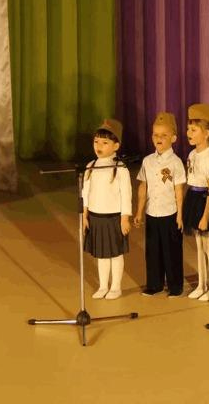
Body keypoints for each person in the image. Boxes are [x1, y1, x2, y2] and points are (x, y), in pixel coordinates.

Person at [133, 112, 186, 297]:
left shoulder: (176, 162)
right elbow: (143, 186)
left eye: (164, 135)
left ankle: (175, 286)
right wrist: (139, 211)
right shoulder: (148, 161)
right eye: (156, 135)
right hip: (152, 212)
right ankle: (154, 284)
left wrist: (180, 215)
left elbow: (179, 190)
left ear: (173, 138)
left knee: (171, 251)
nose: (159, 138)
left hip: (169, 213)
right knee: (153, 251)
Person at [82, 119, 132, 300]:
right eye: (96, 141)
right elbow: (85, 192)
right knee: (101, 254)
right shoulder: (90, 166)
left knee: (115, 253)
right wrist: (85, 215)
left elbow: (126, 195)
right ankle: (103, 285)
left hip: (113, 218)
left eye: (105, 143)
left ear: (116, 146)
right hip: (96, 217)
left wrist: (125, 218)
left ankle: (116, 287)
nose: (99, 146)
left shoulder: (120, 168)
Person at [181, 103, 209, 301]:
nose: (188, 133)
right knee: (199, 246)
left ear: (206, 134)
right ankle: (202, 284)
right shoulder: (192, 154)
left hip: (206, 201)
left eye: (194, 130)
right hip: (194, 197)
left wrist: (206, 216)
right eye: (188, 129)